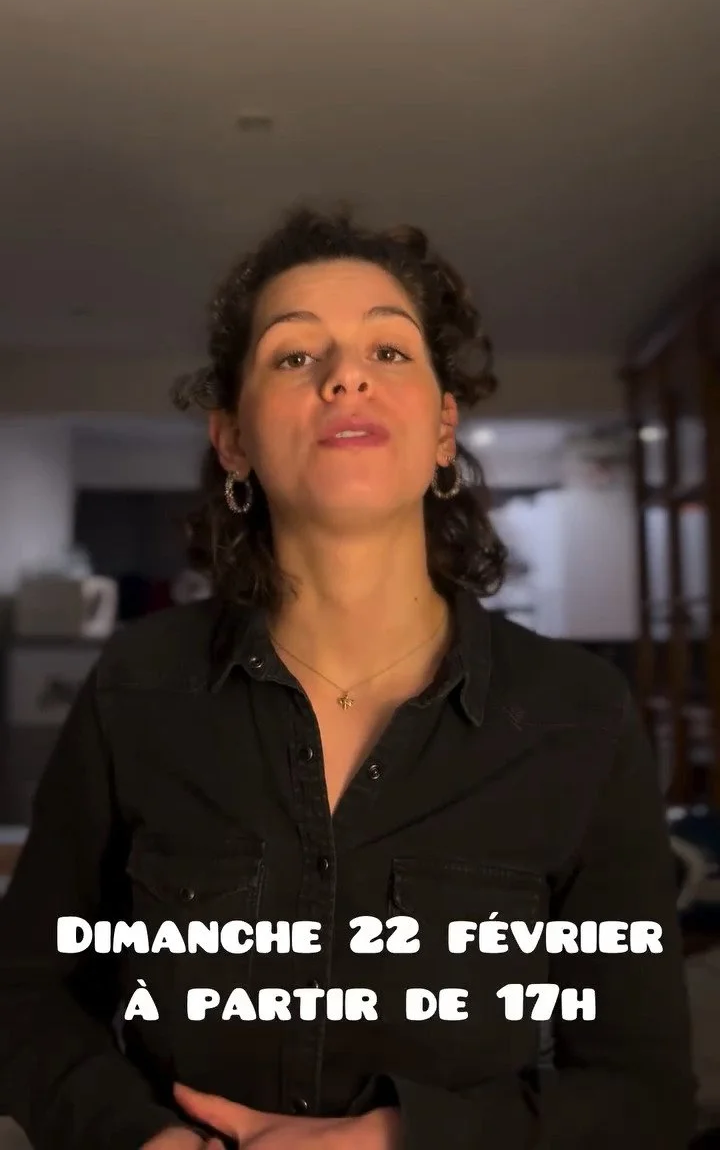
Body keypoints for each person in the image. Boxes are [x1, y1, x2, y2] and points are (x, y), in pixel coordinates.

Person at [0, 207, 695, 1149]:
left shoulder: (579, 715)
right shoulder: (137, 688)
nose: (345, 375)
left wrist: (391, 1142)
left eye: (390, 351)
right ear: (232, 439)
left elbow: (641, 1097)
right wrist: (145, 1138)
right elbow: (27, 995)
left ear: (443, 427)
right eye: (294, 356)